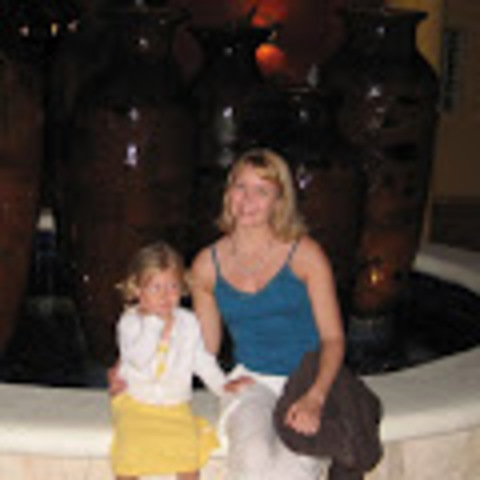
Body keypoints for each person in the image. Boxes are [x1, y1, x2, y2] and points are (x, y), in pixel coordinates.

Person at [190, 148, 346, 480]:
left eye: (261, 191)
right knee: (252, 457)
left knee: (293, 469)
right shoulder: (207, 264)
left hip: (308, 380)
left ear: (279, 200)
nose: (247, 199)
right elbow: (204, 349)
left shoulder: (305, 255)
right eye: (240, 187)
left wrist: (316, 398)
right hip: (252, 380)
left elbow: (333, 339)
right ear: (228, 192)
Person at [110, 241, 252, 480]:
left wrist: (222, 385)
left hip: (175, 406)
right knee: (128, 456)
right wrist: (154, 325)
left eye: (173, 286)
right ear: (137, 290)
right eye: (156, 288)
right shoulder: (130, 323)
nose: (165, 296)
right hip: (137, 403)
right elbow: (138, 360)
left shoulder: (188, 322)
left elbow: (202, 360)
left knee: (188, 456)